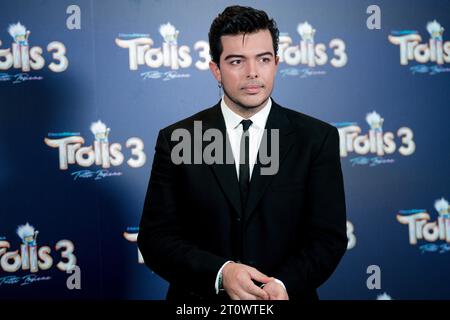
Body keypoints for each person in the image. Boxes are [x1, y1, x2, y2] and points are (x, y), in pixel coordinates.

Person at [138, 5, 347, 301]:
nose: (252, 73)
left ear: (275, 62)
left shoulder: (316, 138)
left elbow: (328, 238)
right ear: (216, 70)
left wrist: (284, 285)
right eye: (237, 61)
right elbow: (155, 239)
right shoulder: (178, 139)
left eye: (263, 59)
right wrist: (221, 273)